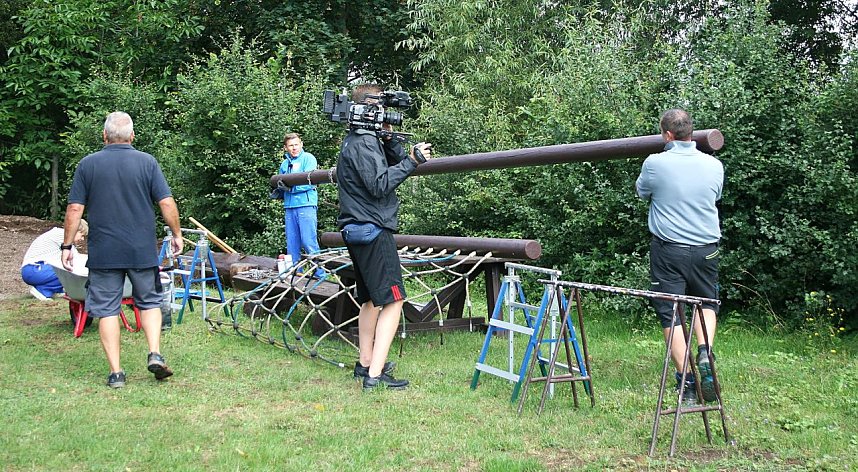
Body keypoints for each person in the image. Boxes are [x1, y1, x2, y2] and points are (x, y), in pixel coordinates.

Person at [62, 111, 183, 389]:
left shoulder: (88, 164)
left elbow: (75, 209)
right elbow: (166, 203)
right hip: (140, 249)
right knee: (150, 302)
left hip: (104, 251)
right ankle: (154, 353)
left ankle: (116, 373)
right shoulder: (147, 162)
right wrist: (176, 234)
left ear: (104, 136)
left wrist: (67, 245)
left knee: (106, 309)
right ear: (132, 136)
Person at [336, 84, 432, 390]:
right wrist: (412, 161)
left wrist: (390, 140)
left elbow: (391, 163)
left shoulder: (356, 139)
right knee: (394, 300)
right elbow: (379, 185)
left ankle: (365, 364)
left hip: (357, 228)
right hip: (373, 229)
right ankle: (375, 375)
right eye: (379, 108)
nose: (384, 114)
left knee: (370, 301)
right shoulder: (364, 143)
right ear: (367, 109)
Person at [636, 108, 723, 404]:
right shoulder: (714, 165)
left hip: (669, 250)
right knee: (707, 302)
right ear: (691, 132)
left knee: (670, 313)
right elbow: (715, 196)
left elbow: (642, 192)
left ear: (667, 135)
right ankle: (705, 352)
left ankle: (686, 383)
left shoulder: (654, 163)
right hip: (707, 248)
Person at [277, 132, 324, 277]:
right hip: (289, 206)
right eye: (291, 145)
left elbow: (311, 181)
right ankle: (296, 272)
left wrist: (291, 188)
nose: (294, 148)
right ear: (286, 148)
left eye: (296, 144)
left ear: (301, 144)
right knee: (292, 243)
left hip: (306, 204)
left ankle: (320, 273)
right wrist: (278, 190)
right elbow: (280, 183)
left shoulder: (308, 158)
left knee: (308, 240)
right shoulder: (284, 164)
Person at [21, 220, 89, 301]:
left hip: (35, 270)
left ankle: (53, 290)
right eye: (82, 235)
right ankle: (43, 291)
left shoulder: (64, 238)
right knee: (70, 271)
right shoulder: (62, 235)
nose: (82, 239)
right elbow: (78, 259)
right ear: (75, 230)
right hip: (33, 270)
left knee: (69, 267)